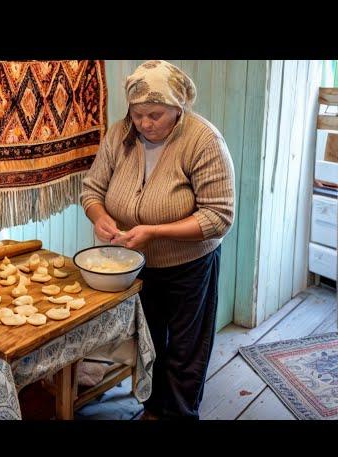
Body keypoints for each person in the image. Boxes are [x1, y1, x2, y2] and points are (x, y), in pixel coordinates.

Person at [80, 60, 235, 420]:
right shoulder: (120, 135)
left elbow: (218, 216)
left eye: (155, 114)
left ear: (178, 109)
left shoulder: (203, 140)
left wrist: (155, 232)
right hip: (132, 265)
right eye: (137, 114)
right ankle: (151, 409)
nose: (145, 124)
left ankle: (180, 414)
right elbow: (92, 190)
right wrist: (101, 217)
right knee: (149, 343)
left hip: (188, 265)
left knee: (185, 350)